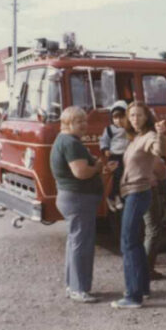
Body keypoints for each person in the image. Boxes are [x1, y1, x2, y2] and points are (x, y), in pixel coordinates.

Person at [50, 106, 112, 303]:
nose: (84, 125)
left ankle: (72, 285)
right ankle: (79, 289)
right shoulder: (71, 143)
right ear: (68, 123)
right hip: (78, 198)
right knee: (81, 244)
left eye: (85, 121)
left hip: (70, 197)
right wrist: (98, 167)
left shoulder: (64, 140)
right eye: (79, 122)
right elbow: (81, 172)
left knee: (75, 242)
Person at [115, 102, 166, 309]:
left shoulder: (149, 137)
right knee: (134, 242)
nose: (135, 119)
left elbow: (159, 150)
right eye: (132, 115)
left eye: (139, 115)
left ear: (147, 117)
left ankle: (132, 295)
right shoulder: (135, 138)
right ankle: (143, 288)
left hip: (138, 192)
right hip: (133, 192)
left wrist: (161, 134)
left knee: (128, 243)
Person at [99, 99, 129, 211]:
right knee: (117, 175)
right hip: (115, 156)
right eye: (115, 118)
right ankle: (114, 196)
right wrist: (105, 149)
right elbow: (103, 141)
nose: (119, 121)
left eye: (122, 117)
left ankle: (119, 197)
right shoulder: (109, 130)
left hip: (127, 156)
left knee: (126, 177)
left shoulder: (129, 129)